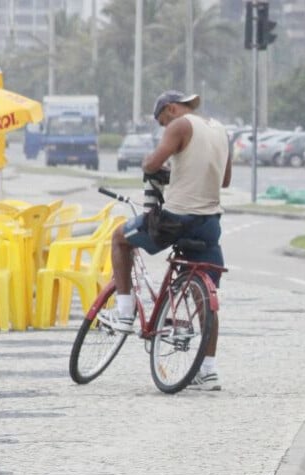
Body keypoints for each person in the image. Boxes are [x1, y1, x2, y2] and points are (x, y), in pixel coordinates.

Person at [98, 90, 233, 391]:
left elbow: (151, 164)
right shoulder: (221, 130)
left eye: (162, 121)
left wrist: (152, 161)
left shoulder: (179, 126)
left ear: (171, 109)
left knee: (120, 238)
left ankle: (122, 313)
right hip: (209, 223)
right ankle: (208, 371)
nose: (163, 128)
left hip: (176, 219)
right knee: (206, 301)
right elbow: (224, 181)